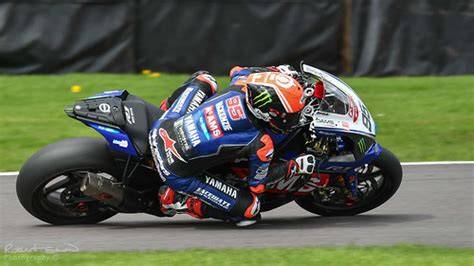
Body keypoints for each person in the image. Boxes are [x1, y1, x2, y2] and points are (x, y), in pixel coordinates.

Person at [149, 65, 317, 226]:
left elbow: (236, 69)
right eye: (291, 116)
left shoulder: (242, 81)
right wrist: (292, 168)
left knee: (205, 79)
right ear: (270, 112)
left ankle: (165, 108)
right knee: (250, 209)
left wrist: (275, 72)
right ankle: (179, 200)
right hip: (176, 169)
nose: (295, 119)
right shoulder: (261, 143)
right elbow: (257, 186)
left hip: (162, 127)